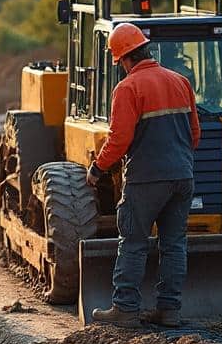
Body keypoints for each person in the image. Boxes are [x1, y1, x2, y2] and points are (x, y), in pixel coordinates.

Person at [86, 22, 201, 328]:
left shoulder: (128, 88)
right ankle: (169, 310)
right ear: (146, 50)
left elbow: (119, 139)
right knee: (174, 244)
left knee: (133, 243)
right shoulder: (180, 81)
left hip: (146, 180)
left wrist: (97, 168)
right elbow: (195, 135)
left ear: (124, 59)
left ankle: (125, 309)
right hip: (183, 177)